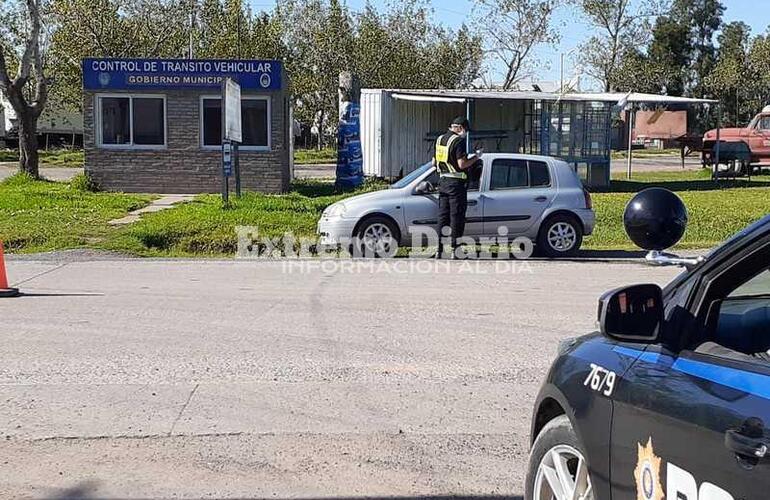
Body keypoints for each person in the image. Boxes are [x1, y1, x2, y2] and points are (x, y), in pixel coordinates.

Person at [433, 116, 482, 258]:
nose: (466, 133)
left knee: (443, 217)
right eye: (466, 130)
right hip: (456, 184)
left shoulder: (439, 139)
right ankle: (456, 249)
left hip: (442, 182)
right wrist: (476, 157)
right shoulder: (458, 141)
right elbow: (462, 165)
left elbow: (433, 162)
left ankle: (439, 249)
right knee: (457, 217)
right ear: (460, 128)